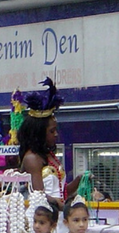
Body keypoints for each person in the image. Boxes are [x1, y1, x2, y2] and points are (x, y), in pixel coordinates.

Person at [18, 78, 82, 210]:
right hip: (42, 218)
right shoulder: (32, 158)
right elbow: (39, 195)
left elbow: (63, 192)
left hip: (58, 215)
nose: (56, 134)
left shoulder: (49, 155)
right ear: (39, 133)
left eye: (56, 130)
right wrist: (59, 204)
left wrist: (80, 180)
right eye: (52, 131)